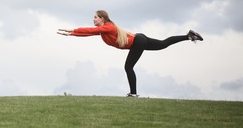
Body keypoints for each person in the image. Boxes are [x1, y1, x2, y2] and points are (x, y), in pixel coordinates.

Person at [57, 10, 203, 97]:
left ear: (102, 18)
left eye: (95, 17)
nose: (93, 19)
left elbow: (90, 30)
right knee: (163, 44)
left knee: (128, 67)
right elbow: (89, 34)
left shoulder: (107, 27)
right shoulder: (104, 30)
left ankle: (133, 94)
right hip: (139, 39)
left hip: (138, 42)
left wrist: (72, 30)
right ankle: (189, 36)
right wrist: (72, 34)